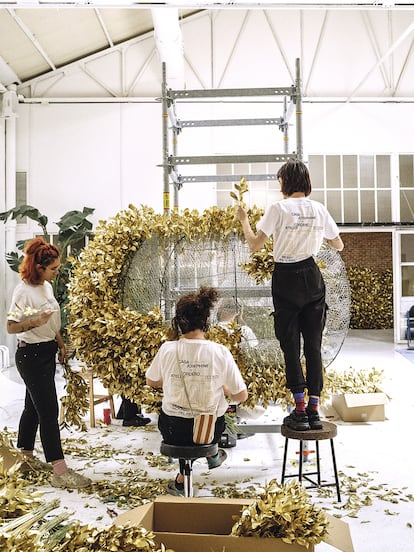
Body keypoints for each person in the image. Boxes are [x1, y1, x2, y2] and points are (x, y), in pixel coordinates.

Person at [237, 159, 344, 432]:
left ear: (285, 182)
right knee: (313, 346)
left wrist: (244, 221)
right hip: (311, 274)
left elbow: (254, 245)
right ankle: (314, 410)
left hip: (285, 277)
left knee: (290, 345)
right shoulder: (319, 209)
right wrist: (318, 235)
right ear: (306, 183)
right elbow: (339, 244)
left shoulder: (278, 209)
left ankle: (298, 407)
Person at [146, 286, 248, 496]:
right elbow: (241, 396)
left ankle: (182, 480)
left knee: (180, 421)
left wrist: (171, 376)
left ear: (178, 322)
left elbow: (151, 381)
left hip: (172, 430)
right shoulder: (219, 352)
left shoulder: (167, 349)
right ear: (206, 322)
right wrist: (225, 389)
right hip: (208, 432)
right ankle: (210, 457)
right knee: (212, 415)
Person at [7, 237, 91, 489]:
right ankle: (59, 471)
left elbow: (52, 321)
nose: (57, 272)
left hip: (46, 351)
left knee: (32, 408)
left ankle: (25, 458)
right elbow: (11, 326)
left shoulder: (46, 286)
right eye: (53, 268)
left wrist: (61, 343)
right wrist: (34, 322)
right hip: (30, 355)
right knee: (49, 412)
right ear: (38, 267)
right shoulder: (23, 291)